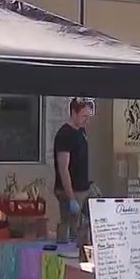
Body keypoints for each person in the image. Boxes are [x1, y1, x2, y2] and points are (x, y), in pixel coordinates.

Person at [53, 97, 95, 245]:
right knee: (72, 225)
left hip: (84, 187)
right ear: (73, 113)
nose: (86, 120)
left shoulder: (82, 131)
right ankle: (68, 252)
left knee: (90, 220)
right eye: (84, 116)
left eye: (88, 117)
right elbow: (63, 169)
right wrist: (71, 197)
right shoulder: (65, 135)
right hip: (70, 189)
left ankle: (85, 248)